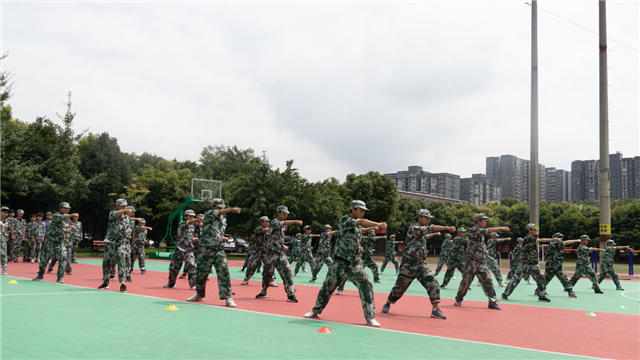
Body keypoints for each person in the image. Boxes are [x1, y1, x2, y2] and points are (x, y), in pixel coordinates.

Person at [304, 200, 387, 327]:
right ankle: (315, 311)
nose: (363, 213)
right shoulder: (344, 220)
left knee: (367, 285)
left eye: (364, 211)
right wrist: (378, 224)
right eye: (361, 210)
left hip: (355, 264)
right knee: (327, 287)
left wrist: (359, 248)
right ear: (353, 209)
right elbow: (360, 222)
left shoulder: (358, 228)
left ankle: (370, 317)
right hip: (340, 262)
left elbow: (354, 238)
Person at [381, 209, 455, 319]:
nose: (428, 220)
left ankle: (435, 309)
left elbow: (426, 235)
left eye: (429, 218)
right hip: (408, 265)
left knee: (433, 282)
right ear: (419, 218)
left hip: (420, 265)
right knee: (399, 289)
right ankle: (388, 302)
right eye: (426, 218)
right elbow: (430, 229)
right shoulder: (413, 228)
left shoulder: (422, 234)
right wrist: (447, 228)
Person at [187, 198, 240, 307]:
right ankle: (199, 295)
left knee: (224, 272)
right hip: (205, 249)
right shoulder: (209, 214)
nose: (221, 209)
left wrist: (222, 237)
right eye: (219, 207)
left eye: (222, 207)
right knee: (201, 274)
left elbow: (217, 231)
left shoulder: (223, 220)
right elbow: (218, 213)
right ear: (213, 207)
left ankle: (228, 297)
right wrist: (232, 209)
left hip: (218, 249)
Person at [454, 213, 508, 310]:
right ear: (478, 221)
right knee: (466, 282)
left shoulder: (480, 233)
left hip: (481, 262)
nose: (485, 222)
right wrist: (501, 228)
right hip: (471, 261)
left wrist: (484, 250)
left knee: (488, 281)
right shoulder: (474, 230)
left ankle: (492, 301)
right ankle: (459, 298)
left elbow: (480, 244)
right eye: (484, 220)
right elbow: (487, 231)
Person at [502, 224, 558, 302]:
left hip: (532, 263)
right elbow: (541, 240)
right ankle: (505, 293)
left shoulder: (531, 238)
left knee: (541, 277)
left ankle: (542, 296)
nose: (535, 230)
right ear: (529, 230)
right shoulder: (528, 238)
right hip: (524, 263)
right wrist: (553, 239)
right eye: (534, 229)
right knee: (516, 279)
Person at [256, 205, 301, 302]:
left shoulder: (284, 225)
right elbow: (280, 225)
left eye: (286, 214)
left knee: (287, 273)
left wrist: (282, 245)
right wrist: (295, 221)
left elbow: (278, 237)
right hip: (271, 254)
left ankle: (291, 294)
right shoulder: (274, 222)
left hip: (280, 253)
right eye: (284, 213)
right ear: (278, 213)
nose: (285, 215)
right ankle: (264, 291)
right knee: (267, 274)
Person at [33, 202, 79, 284]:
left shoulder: (66, 220)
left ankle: (60, 277)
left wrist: (67, 229)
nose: (67, 209)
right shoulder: (56, 215)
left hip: (60, 241)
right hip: (51, 241)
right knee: (44, 259)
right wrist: (72, 215)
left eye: (68, 208)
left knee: (63, 258)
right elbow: (62, 217)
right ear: (60, 208)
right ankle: (40, 275)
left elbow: (62, 226)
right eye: (65, 208)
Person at [98, 199, 134, 292]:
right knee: (107, 263)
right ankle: (106, 282)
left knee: (122, 263)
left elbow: (129, 230)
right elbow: (116, 214)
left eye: (126, 206)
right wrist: (125, 211)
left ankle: (123, 284)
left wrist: (127, 233)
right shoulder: (113, 214)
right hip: (110, 242)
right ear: (117, 206)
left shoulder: (126, 218)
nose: (125, 208)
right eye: (122, 206)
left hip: (121, 243)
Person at [165, 210, 199, 290]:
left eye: (193, 216)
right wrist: (198, 219)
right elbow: (190, 223)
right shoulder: (182, 223)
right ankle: (171, 283)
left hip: (188, 250)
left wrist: (194, 239)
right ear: (185, 216)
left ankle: (193, 284)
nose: (191, 217)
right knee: (174, 268)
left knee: (192, 267)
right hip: (179, 250)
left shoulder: (193, 226)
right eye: (190, 216)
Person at [542, 233, 580, 298]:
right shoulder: (553, 244)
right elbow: (566, 242)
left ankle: (570, 292)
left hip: (558, 266)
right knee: (546, 279)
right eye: (560, 237)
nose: (561, 239)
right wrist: (576, 240)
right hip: (551, 266)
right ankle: (539, 290)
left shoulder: (559, 246)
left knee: (564, 279)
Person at [241, 216, 270, 285]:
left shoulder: (268, 232)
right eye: (266, 221)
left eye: (268, 222)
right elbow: (264, 231)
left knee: (269, 265)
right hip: (256, 251)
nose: (267, 223)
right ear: (261, 222)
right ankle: (246, 279)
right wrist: (275, 228)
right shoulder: (258, 229)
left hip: (264, 251)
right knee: (251, 265)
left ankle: (270, 280)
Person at [1, 207, 10, 275]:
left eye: (7, 212)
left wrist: (6, 234)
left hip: (3, 240)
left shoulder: (7, 221)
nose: (6, 214)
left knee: (3, 254)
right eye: (5, 212)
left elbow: (7, 228)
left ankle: (4, 269)